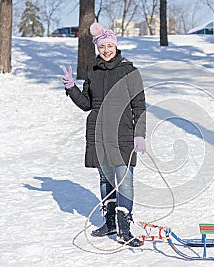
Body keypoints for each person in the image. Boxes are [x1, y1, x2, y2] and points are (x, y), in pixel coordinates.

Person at [61, 22, 146, 247]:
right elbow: (87, 104)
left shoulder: (130, 71)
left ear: (116, 46)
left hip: (123, 134)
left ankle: (124, 229)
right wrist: (72, 88)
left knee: (125, 181)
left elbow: (140, 106)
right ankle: (109, 223)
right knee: (105, 180)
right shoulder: (93, 72)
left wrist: (140, 134)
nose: (106, 50)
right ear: (97, 48)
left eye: (109, 45)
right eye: (102, 47)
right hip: (99, 134)